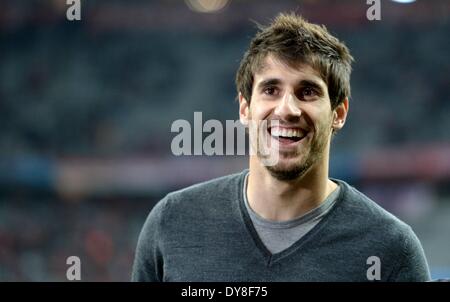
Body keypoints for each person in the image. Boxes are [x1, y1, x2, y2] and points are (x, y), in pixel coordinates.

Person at [131, 12, 430, 282]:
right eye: (271, 90)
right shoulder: (171, 222)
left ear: (339, 113)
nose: (287, 109)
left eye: (308, 91)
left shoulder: (391, 249)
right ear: (245, 108)